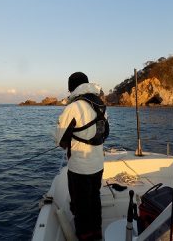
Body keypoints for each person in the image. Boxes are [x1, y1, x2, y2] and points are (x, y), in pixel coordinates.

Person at [55, 72, 109, 241]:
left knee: (81, 206)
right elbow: (104, 133)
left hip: (79, 167)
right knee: (94, 200)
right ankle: (97, 233)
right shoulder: (100, 105)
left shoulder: (73, 107)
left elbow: (60, 140)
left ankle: (86, 237)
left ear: (72, 88)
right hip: (98, 164)